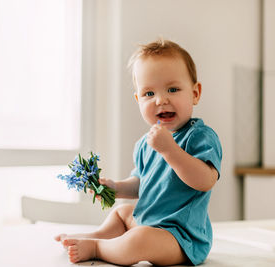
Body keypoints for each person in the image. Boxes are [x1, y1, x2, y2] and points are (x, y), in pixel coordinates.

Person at [54, 38, 222, 266]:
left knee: (140, 239)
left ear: (195, 93)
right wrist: (114, 187)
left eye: (173, 89)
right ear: (138, 100)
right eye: (149, 93)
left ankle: (98, 248)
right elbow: (141, 184)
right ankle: (96, 236)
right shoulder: (146, 143)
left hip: (180, 237)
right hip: (148, 222)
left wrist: (170, 150)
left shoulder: (200, 137)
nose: (161, 100)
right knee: (121, 213)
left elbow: (205, 180)